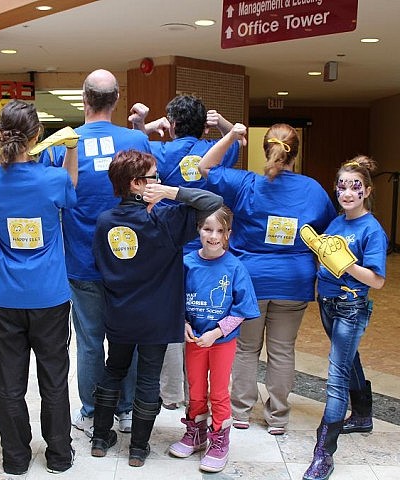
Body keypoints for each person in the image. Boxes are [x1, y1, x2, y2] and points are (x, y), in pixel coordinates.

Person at [198, 123, 336, 435]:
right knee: (283, 349)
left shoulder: (246, 183)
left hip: (251, 279)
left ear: (265, 149)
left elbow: (205, 166)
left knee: (246, 348)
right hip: (295, 281)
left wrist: (231, 136)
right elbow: (328, 230)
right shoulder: (313, 189)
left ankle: (242, 412)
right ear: (295, 156)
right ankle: (278, 417)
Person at [90, 149, 222, 467]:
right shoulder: (164, 218)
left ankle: (100, 438)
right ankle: (137, 449)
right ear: (137, 183)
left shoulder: (105, 221)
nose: (160, 183)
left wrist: (163, 191)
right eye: (154, 178)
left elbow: (99, 262)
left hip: (120, 311)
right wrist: (172, 193)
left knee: (114, 369)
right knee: (148, 377)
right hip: (157, 315)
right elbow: (212, 203)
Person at [40, 69, 152, 437]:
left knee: (89, 342)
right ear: (116, 100)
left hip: (81, 258)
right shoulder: (135, 139)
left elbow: (49, 197)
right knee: (128, 338)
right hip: (129, 260)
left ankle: (90, 412)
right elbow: (151, 191)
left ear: (84, 100)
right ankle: (126, 411)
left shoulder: (62, 144)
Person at [0, 100, 78, 475]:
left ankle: (15, 459)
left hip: (6, 298)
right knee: (53, 379)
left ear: (1, 134)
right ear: (37, 137)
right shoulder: (52, 180)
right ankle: (59, 456)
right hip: (50, 297)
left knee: (10, 382)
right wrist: (71, 149)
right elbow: (71, 189)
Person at [129, 95, 240, 410]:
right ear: (203, 124)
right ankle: (205, 391)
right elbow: (237, 138)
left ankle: (172, 392)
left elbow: (136, 144)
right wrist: (222, 126)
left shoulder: (159, 151)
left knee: (173, 316)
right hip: (209, 246)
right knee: (206, 314)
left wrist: (144, 124)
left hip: (167, 245)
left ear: (173, 124)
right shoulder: (215, 150)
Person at [302, 156, 387, 480]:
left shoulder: (371, 230)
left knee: (336, 376)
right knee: (348, 359)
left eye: (355, 187)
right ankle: (363, 415)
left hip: (350, 307)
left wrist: (347, 264)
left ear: (366, 191)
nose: (347, 192)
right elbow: (326, 253)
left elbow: (377, 281)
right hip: (327, 303)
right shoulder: (337, 222)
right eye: (342, 186)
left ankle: (324, 452)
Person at [168, 206, 259, 473]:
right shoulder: (186, 263)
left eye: (220, 230)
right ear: (199, 229)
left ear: (229, 233)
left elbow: (242, 309)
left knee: (218, 392)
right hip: (194, 340)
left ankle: (219, 440)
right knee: (195, 389)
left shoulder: (235, 267)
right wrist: (183, 323)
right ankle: (196, 433)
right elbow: (175, 299)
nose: (213, 235)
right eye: (208, 229)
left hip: (221, 342)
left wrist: (216, 333)